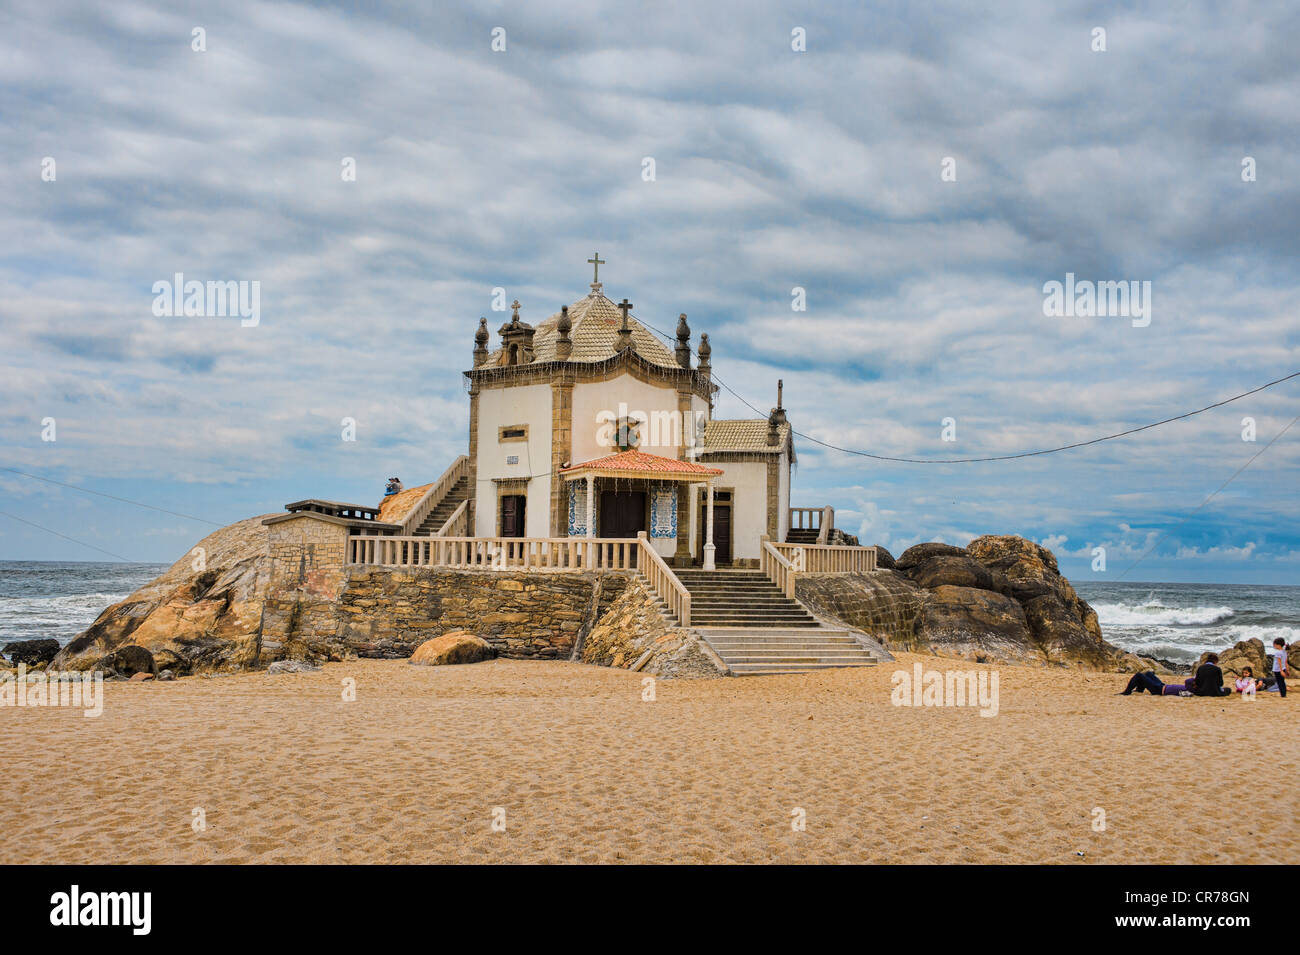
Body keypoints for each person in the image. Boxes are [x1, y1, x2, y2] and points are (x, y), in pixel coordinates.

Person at [1120, 671, 1194, 696]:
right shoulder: (1190, 688)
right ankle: (1139, 690)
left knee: (1139, 675)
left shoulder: (1190, 690)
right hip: (1163, 685)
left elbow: (1187, 681)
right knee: (1148, 673)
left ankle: (1127, 691)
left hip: (1158, 690)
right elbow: (1188, 682)